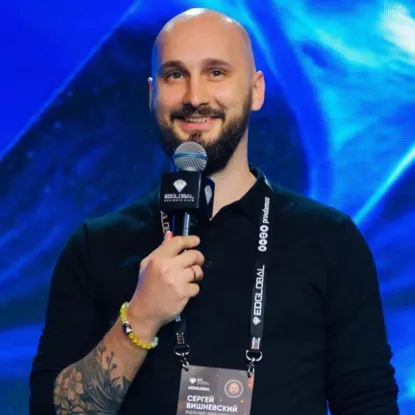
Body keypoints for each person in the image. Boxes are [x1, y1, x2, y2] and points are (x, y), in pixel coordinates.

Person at [29, 8, 399, 415]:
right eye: (175, 75)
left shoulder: (329, 240)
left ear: (256, 91)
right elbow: (51, 410)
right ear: (152, 95)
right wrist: (140, 318)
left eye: (216, 72)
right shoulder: (95, 246)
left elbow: (369, 402)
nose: (194, 97)